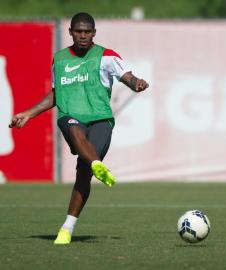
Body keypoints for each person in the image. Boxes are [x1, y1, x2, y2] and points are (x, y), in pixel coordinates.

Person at [9, 12, 149, 245]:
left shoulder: (106, 56)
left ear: (94, 33)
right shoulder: (60, 59)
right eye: (78, 31)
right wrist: (29, 114)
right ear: (71, 32)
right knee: (73, 127)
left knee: (83, 173)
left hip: (101, 119)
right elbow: (56, 93)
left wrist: (137, 84)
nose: (83, 35)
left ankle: (67, 227)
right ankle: (98, 165)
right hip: (71, 115)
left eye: (87, 31)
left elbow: (127, 76)